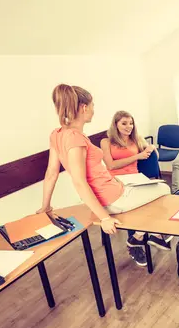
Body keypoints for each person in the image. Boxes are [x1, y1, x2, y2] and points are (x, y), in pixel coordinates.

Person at [38, 84, 170, 268]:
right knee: (164, 188)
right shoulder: (76, 138)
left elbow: (51, 172)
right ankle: (143, 235)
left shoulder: (57, 134)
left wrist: (45, 206)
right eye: (92, 106)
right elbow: (79, 181)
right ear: (84, 108)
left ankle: (145, 234)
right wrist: (104, 218)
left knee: (145, 188)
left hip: (112, 189)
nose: (93, 110)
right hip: (111, 199)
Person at [100, 110, 173, 264]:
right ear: (115, 124)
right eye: (124, 123)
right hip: (116, 180)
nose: (129, 127)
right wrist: (137, 156)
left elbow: (155, 156)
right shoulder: (106, 142)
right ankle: (151, 236)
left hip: (136, 178)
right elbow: (111, 165)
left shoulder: (136, 139)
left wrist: (150, 148)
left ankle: (138, 237)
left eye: (131, 123)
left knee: (161, 195)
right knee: (137, 207)